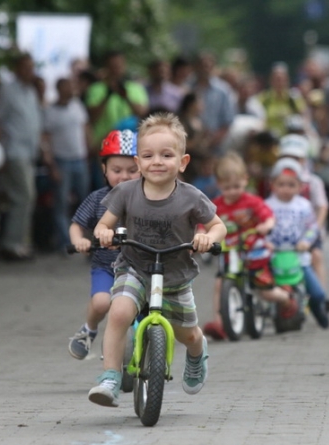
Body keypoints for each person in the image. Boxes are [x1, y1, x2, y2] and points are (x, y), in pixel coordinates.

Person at [88, 112, 226, 407]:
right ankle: (110, 376)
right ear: (137, 164)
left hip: (176, 275)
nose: (157, 162)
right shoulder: (126, 192)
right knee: (119, 312)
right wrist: (103, 233)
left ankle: (197, 353)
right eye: (148, 156)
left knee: (187, 334)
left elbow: (219, 226)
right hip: (134, 268)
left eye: (166, 155)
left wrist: (207, 239)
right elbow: (104, 223)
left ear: (182, 161)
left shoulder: (191, 197)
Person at [203, 152, 298, 340]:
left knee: (264, 289)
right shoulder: (215, 206)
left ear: (245, 180)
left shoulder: (251, 202)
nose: (232, 191)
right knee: (220, 284)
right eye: (227, 187)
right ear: (219, 184)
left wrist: (266, 225)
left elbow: (267, 215)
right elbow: (203, 222)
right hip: (229, 255)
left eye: (237, 186)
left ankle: (286, 299)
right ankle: (222, 324)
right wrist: (201, 234)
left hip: (254, 252)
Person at [68, 129, 140, 360]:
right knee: (101, 303)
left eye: (132, 170)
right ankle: (88, 330)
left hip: (141, 268)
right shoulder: (98, 198)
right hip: (106, 267)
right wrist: (79, 240)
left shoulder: (150, 198)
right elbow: (77, 224)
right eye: (116, 170)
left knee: (147, 311)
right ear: (104, 170)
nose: (124, 177)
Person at [0, 52, 48, 261]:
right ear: (17, 69)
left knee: (22, 197)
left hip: (29, 151)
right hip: (14, 150)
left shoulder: (31, 91)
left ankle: (19, 242)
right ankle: (11, 243)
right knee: (24, 195)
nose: (29, 71)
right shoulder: (8, 90)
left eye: (31, 67)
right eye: (25, 67)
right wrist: (0, 152)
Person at [265, 159, 329, 329]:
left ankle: (318, 307)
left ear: (300, 186)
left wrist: (306, 241)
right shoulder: (267, 206)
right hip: (273, 257)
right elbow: (261, 228)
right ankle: (265, 311)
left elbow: (312, 227)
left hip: (299, 257)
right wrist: (266, 243)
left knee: (317, 293)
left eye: (291, 185)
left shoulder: (304, 206)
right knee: (263, 284)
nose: (286, 189)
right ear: (273, 185)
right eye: (281, 184)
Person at [43, 77, 92, 252]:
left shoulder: (78, 106)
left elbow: (85, 130)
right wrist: (51, 165)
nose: (72, 89)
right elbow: (45, 139)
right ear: (59, 89)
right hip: (61, 161)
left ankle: (83, 240)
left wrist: (89, 151)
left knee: (84, 202)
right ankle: (66, 242)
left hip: (80, 159)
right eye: (68, 86)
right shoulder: (50, 111)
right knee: (61, 203)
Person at [257, 62, 307, 139]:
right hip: (269, 139)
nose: (279, 82)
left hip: (290, 138)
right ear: (271, 80)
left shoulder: (294, 97)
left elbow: (304, 117)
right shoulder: (264, 98)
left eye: (282, 79)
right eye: (277, 79)